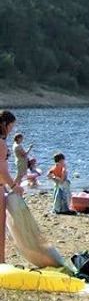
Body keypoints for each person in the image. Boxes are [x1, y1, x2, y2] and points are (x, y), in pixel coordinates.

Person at [0, 110, 22, 262]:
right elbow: (1, 170)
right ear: (4, 124)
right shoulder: (1, 143)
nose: (11, 130)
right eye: (11, 126)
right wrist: (14, 186)